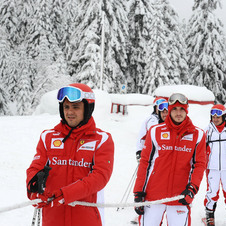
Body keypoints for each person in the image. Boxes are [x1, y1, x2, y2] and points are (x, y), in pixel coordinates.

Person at [26, 83, 114, 226]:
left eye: (76, 107)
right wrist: (33, 186)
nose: (70, 112)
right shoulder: (47, 137)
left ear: (88, 109)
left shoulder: (102, 140)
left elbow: (100, 177)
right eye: (66, 107)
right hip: (53, 218)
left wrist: (65, 194)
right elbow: (35, 168)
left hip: (85, 219)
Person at [133, 93, 206, 226]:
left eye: (182, 109)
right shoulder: (155, 131)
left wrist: (192, 189)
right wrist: (138, 192)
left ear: (187, 110)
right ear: (169, 110)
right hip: (153, 197)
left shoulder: (198, 135)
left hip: (180, 197)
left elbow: (199, 165)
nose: (178, 113)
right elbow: (145, 163)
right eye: (174, 109)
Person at [204, 104, 226, 226]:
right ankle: (210, 216)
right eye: (213, 116)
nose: (215, 119)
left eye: (218, 116)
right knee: (212, 192)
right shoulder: (207, 130)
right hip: (212, 168)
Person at [136, 97, 166, 161]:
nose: (161, 110)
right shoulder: (150, 120)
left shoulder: (166, 120)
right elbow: (141, 136)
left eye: (164, 108)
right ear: (155, 108)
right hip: (149, 151)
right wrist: (139, 150)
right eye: (159, 107)